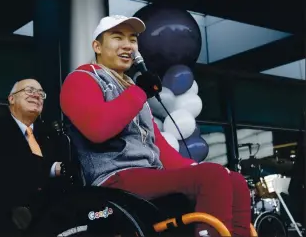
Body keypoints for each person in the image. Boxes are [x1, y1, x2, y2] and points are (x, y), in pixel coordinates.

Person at [60, 15, 251, 237]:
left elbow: (156, 143)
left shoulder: (131, 87)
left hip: (148, 174)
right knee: (213, 176)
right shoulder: (82, 78)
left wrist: (190, 167)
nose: (127, 45)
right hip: (114, 177)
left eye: (132, 39)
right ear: (97, 46)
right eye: (117, 37)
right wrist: (139, 92)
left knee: (234, 180)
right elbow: (97, 129)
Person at [0, 78, 65, 233]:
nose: (36, 96)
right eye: (30, 91)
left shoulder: (50, 133)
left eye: (41, 93)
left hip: (50, 220)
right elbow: (6, 169)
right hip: (8, 220)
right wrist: (52, 168)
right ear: (11, 99)